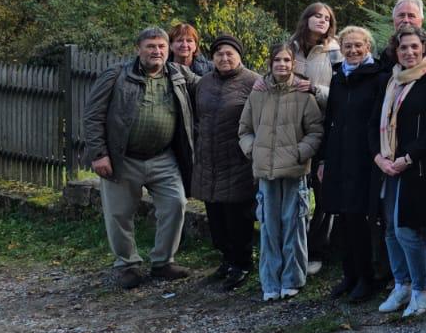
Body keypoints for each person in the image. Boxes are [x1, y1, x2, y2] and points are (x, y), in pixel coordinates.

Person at [81, 26, 199, 290]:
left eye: (161, 47)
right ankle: (127, 265)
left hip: (164, 157)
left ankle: (163, 262)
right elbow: (92, 115)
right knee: (119, 214)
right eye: (151, 46)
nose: (156, 51)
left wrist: (251, 81)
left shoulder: (179, 74)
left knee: (175, 204)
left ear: (168, 50)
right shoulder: (116, 75)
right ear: (138, 49)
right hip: (123, 157)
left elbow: (211, 87)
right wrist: (99, 154)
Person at [372, 25, 426, 318]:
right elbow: (374, 123)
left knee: (407, 230)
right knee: (390, 231)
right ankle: (402, 284)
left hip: (419, 167)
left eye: (413, 47)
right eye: (402, 47)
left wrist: (408, 158)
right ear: (395, 51)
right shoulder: (390, 82)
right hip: (389, 166)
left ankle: (422, 290)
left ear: (423, 48)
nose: (408, 52)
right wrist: (378, 157)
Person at [238, 39, 324, 302]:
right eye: (277, 60)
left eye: (287, 60)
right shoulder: (258, 92)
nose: (282, 65)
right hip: (266, 171)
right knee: (268, 227)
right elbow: (244, 130)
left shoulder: (301, 94)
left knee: (294, 225)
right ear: (270, 63)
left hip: (295, 172)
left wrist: (300, 152)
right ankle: (270, 281)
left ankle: (292, 279)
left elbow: (315, 131)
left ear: (293, 63)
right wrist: (254, 150)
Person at [318, 26, 387, 303]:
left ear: (368, 47)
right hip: (338, 155)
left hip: (364, 157)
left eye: (358, 45)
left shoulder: (378, 77)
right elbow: (330, 119)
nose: (353, 50)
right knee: (343, 217)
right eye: (348, 46)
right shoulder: (338, 78)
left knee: (360, 218)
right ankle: (349, 275)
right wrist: (323, 158)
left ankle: (366, 278)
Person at [191, 35, 258, 289]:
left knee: (237, 217)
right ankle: (226, 260)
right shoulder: (204, 83)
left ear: (239, 55)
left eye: (230, 53)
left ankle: (242, 263)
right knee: (216, 216)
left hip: (238, 159)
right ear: (212, 58)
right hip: (209, 159)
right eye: (219, 54)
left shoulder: (253, 82)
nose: (224, 58)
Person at [289, 3, 339, 274]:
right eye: (316, 15)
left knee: (323, 191)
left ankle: (317, 249)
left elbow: (342, 94)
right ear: (305, 18)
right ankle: (293, 248)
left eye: (327, 17)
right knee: (294, 191)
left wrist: (315, 89)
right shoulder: (290, 46)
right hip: (292, 128)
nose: (321, 20)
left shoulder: (336, 51)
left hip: (324, 126)